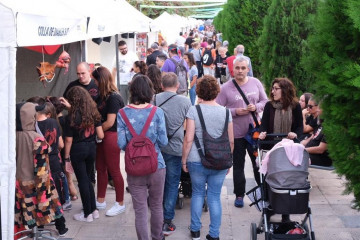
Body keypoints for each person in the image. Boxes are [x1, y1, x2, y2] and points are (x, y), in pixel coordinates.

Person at [182, 75, 234, 240]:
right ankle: (214, 234)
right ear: (217, 92)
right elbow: (231, 140)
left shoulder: (194, 110)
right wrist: (228, 161)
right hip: (220, 161)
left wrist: (184, 159)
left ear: (198, 92)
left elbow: (188, 139)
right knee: (214, 196)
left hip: (197, 160)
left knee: (198, 193)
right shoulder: (226, 112)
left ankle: (196, 230)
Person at [117, 75, 168, 240]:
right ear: (150, 91)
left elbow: (121, 143)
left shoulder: (122, 113)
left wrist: (135, 148)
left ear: (132, 91)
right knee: (156, 206)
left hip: (134, 167)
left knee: (140, 210)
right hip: (157, 165)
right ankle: (157, 237)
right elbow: (164, 141)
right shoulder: (157, 112)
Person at [216, 57, 268, 208]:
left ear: (247, 69)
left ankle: (263, 192)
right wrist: (235, 111)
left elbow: (265, 101)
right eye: (237, 68)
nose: (240, 71)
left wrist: (256, 107)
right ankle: (239, 195)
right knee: (238, 165)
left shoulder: (255, 82)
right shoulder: (226, 87)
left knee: (258, 165)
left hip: (254, 134)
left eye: (243, 68)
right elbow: (218, 108)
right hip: (236, 134)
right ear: (233, 69)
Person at [15, 102, 68, 237]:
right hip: (38, 184)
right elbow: (42, 171)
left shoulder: (11, 137)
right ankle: (50, 230)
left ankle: (33, 232)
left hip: (18, 184)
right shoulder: (37, 138)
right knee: (47, 206)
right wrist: (43, 194)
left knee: (28, 212)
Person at [258, 78, 303, 222]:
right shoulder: (269, 106)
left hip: (289, 149)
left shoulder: (295, 106)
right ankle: (270, 205)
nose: (272, 91)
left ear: (285, 90)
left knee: (286, 179)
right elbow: (263, 125)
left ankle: (286, 214)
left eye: (276, 88)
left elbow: (299, 128)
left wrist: (295, 134)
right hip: (272, 147)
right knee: (270, 177)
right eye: (272, 88)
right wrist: (263, 133)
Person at [153, 73, 192, 236]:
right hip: (176, 147)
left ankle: (156, 214)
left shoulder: (154, 99)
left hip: (157, 147)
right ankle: (167, 219)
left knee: (157, 182)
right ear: (177, 86)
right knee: (172, 183)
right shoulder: (185, 101)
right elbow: (189, 125)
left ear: (162, 85)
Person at [64, 86, 104, 222]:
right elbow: (101, 134)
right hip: (92, 148)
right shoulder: (94, 112)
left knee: (82, 182)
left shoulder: (71, 116)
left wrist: (66, 157)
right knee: (88, 179)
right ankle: (94, 210)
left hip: (77, 150)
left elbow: (68, 140)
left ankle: (87, 214)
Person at [91, 67, 126, 217]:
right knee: (100, 168)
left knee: (114, 170)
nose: (94, 82)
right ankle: (100, 200)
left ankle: (120, 203)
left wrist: (97, 132)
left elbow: (110, 122)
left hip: (111, 135)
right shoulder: (102, 96)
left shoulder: (113, 97)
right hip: (102, 135)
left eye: (95, 80)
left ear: (101, 80)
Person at [36, 102, 72, 211]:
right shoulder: (53, 122)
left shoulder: (32, 125)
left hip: (39, 161)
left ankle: (47, 212)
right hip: (54, 159)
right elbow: (61, 144)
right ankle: (58, 211)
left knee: (43, 187)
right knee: (56, 184)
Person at [48, 96, 78, 201]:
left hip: (60, 150)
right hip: (69, 148)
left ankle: (65, 196)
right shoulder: (67, 119)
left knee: (62, 174)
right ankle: (73, 194)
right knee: (68, 174)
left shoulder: (53, 122)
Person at [301, 101, 332, 167]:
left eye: (320, 108)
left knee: (297, 157)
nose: (317, 110)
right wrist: (299, 145)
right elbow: (312, 137)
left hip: (321, 159)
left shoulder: (329, 128)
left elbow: (320, 149)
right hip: (309, 152)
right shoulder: (321, 124)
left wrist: (302, 150)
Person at [111, 40, 139, 104]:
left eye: (125, 48)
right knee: (122, 102)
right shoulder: (116, 57)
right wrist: (112, 83)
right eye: (121, 49)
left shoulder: (132, 55)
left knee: (133, 101)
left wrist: (133, 68)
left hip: (132, 82)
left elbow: (138, 67)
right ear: (118, 49)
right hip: (121, 83)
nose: (124, 50)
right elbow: (114, 70)